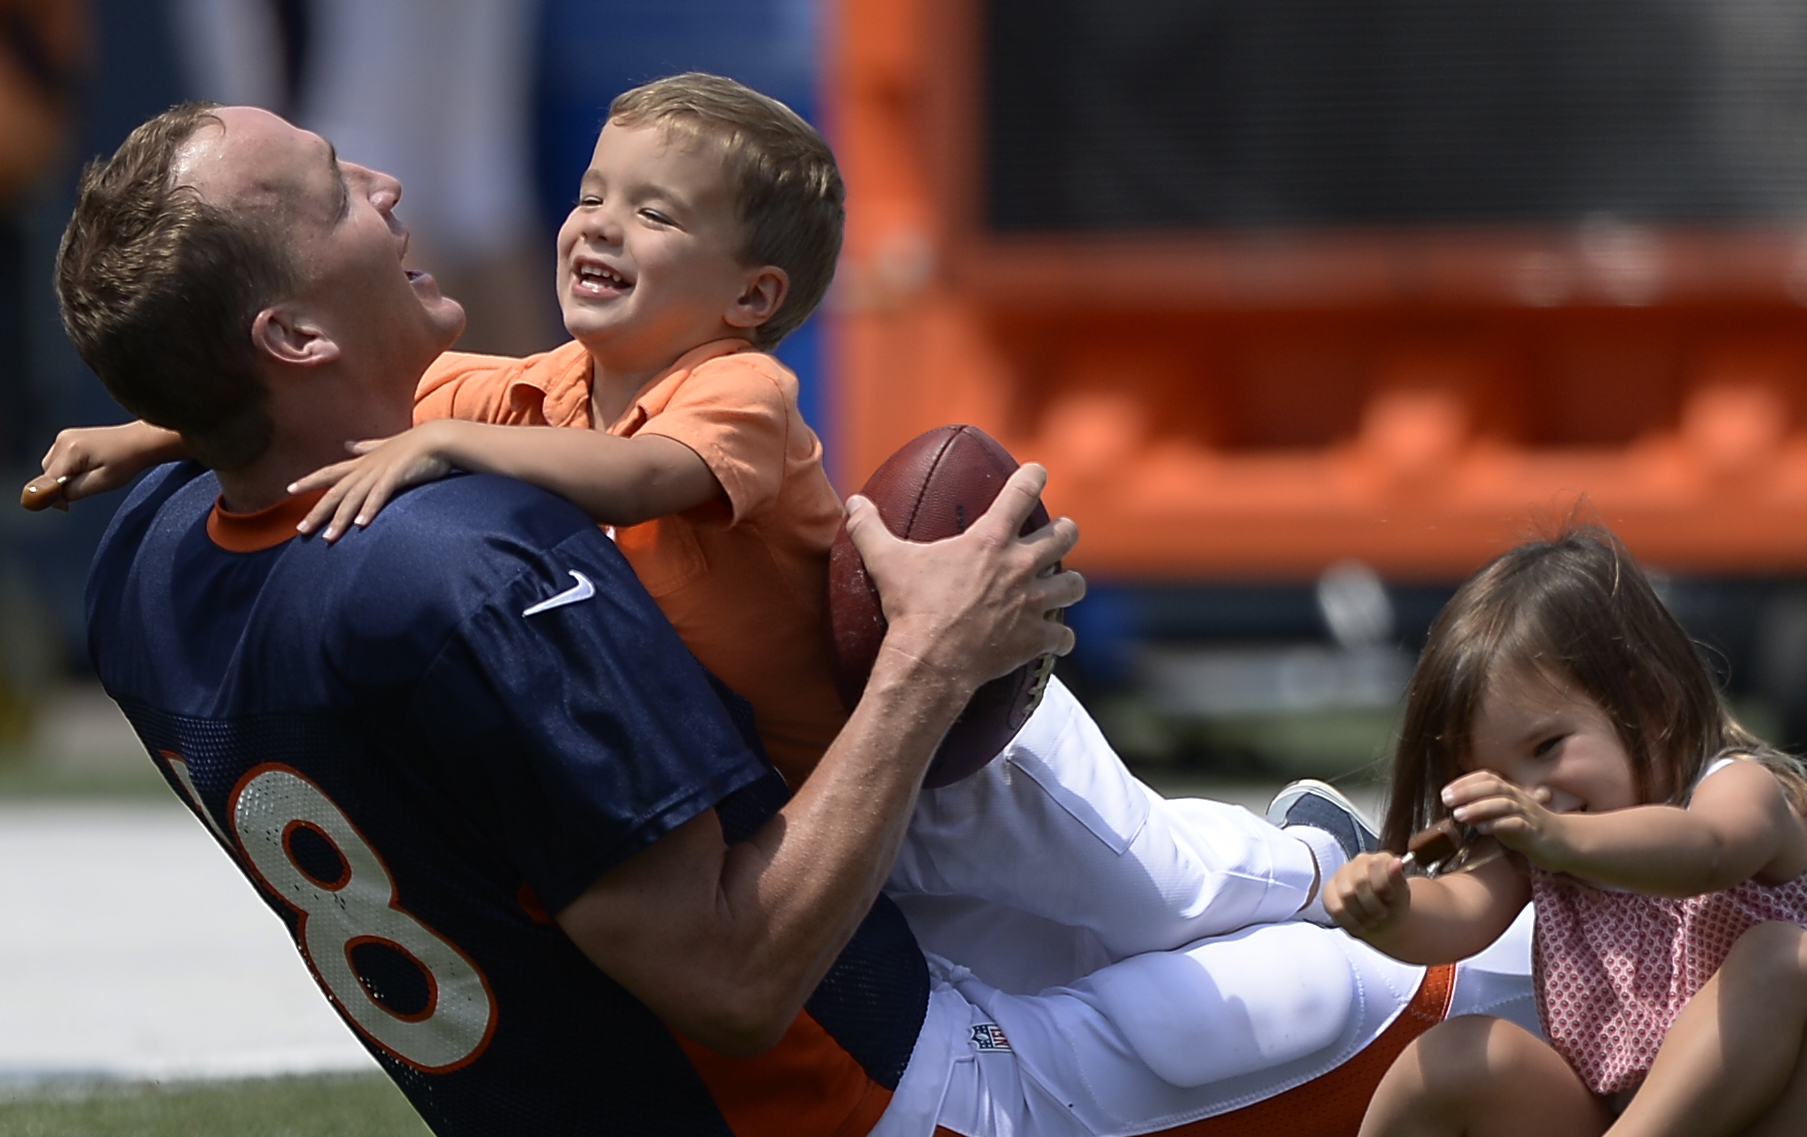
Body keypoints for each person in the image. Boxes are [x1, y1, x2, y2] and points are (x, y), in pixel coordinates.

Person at [52, 100, 1536, 1137]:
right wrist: (930, 658)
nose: (381, 182)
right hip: (868, 1098)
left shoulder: (148, 554)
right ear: (295, 335)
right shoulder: (460, 563)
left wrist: (164, 427)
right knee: (1370, 990)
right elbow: (734, 982)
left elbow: (279, 464)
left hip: (609, 1079)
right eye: (329, 190)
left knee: (1153, 901)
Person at [1324, 527, 1807, 1137]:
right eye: (1494, 778)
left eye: (1548, 746)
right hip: (1610, 1118)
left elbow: (1709, 853)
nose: (1531, 793)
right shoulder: (1541, 845)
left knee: (1784, 958)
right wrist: (1388, 908)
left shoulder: (1737, 788)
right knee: (1457, 1057)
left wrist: (1554, 836)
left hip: (1775, 1111)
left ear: (1650, 704)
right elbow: (1458, 910)